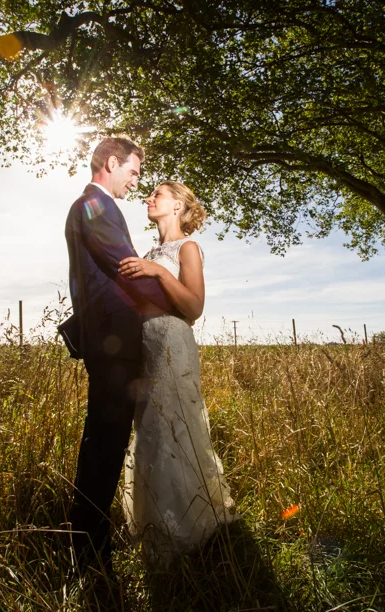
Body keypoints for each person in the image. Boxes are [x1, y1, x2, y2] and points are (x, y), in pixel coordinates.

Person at [63, 137, 176, 576]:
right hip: (112, 343)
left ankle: (90, 545)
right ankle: (88, 555)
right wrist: (177, 305)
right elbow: (127, 268)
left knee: (106, 444)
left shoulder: (99, 207)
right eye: (133, 171)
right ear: (112, 163)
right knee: (103, 447)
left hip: (114, 341)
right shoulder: (94, 206)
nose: (136, 180)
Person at [117, 180, 238, 565]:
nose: (149, 198)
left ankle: (183, 528)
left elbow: (194, 306)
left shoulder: (187, 248)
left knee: (175, 426)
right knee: (148, 430)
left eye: (158, 195)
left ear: (178, 207)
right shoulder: (148, 251)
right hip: (143, 348)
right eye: (149, 194)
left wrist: (158, 273)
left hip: (171, 343)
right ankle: (152, 521)